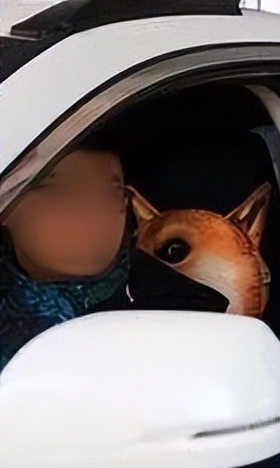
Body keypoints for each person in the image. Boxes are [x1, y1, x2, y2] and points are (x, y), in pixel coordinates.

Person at [0, 142, 228, 370]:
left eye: (110, 193)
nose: (90, 214)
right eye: (60, 191)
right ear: (7, 204)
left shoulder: (180, 319)